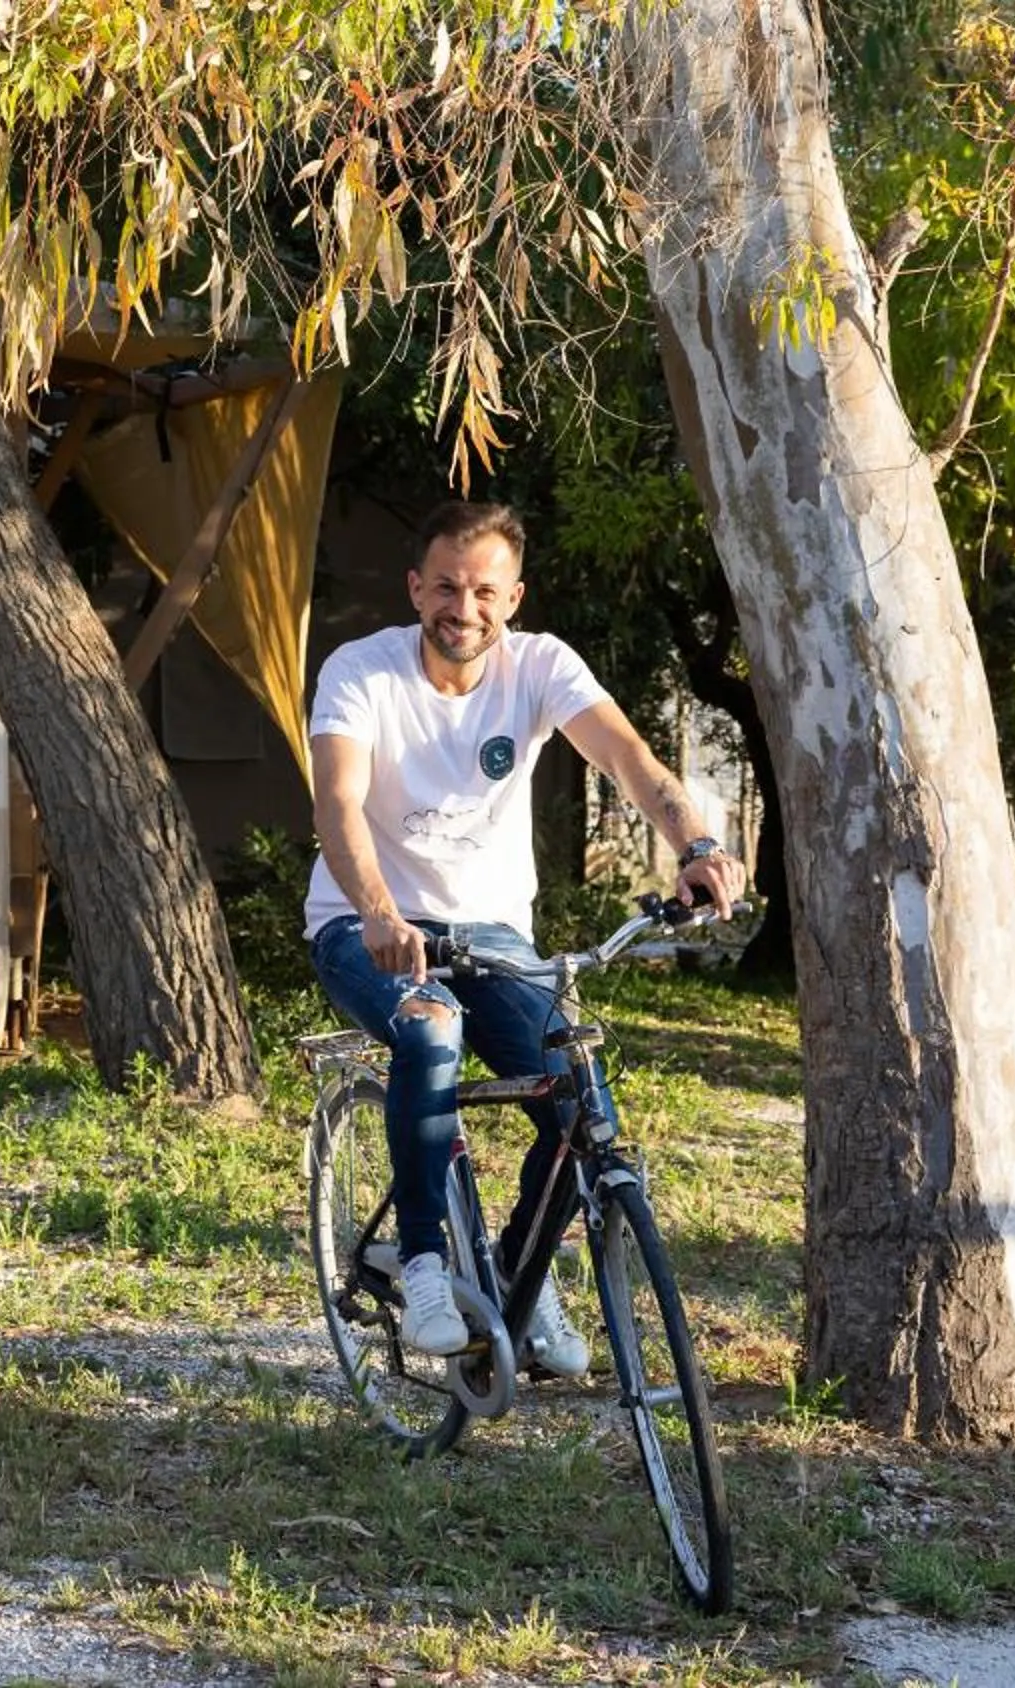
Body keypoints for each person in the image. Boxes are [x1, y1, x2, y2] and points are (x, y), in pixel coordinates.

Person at [305, 501, 747, 1370]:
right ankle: (427, 1260)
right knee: (430, 1030)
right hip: (368, 926)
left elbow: (630, 762)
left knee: (580, 1101)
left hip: (494, 934)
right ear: (414, 588)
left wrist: (695, 846)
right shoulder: (362, 671)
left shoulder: (541, 665)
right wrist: (380, 912)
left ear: (512, 599)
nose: (461, 609)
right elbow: (338, 803)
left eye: (482, 592)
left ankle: (514, 1275)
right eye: (443, 587)